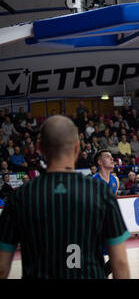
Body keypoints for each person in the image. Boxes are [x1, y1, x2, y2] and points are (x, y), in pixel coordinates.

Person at [0, 115, 130, 279]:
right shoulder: (100, 193)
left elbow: (2, 268)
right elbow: (120, 263)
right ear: (77, 148)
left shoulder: (19, 197)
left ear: (39, 148)